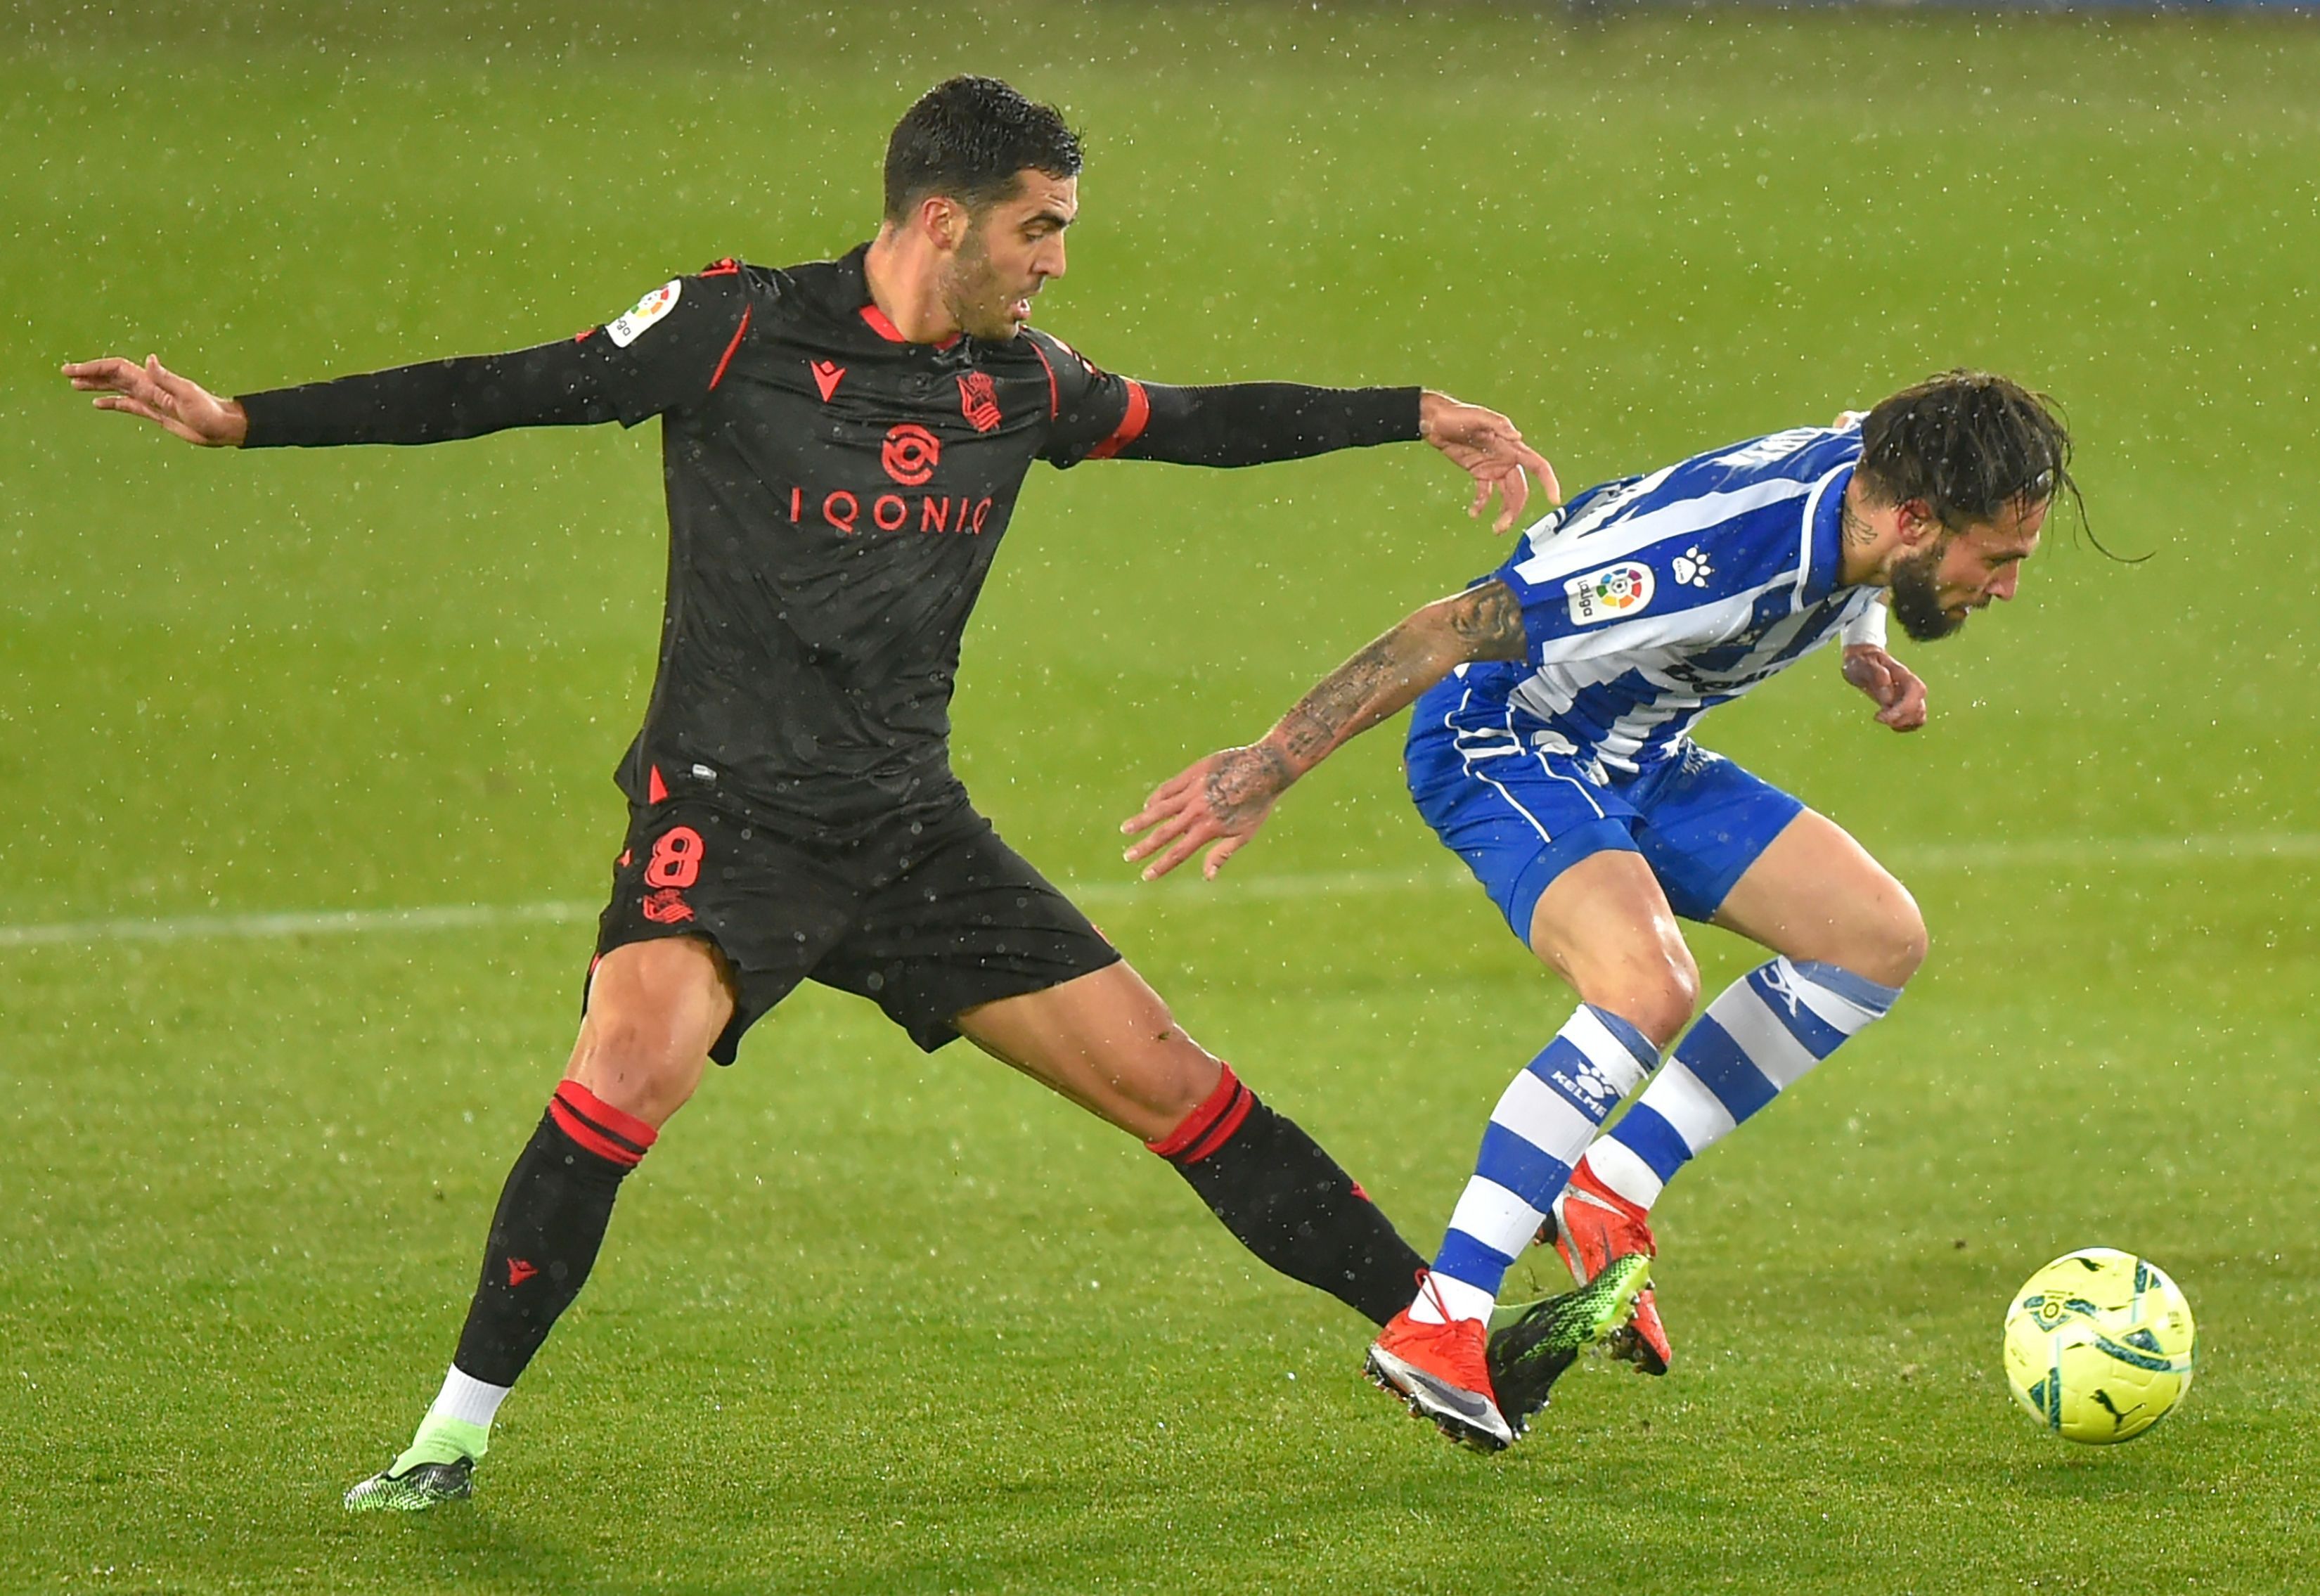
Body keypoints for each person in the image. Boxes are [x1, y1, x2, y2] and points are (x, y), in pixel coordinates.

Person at [64, 76, 1565, 1509]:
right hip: (726, 822)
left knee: (1174, 1081)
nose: (1054, 261)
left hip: (910, 833)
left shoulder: (1020, 384)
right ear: (941, 220)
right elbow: (502, 388)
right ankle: (445, 1442)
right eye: (1037, 227)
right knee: (624, 1076)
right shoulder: (733, 329)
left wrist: (1404, 409)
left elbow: (1192, 421)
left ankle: (1444, 1342)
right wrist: (244, 418)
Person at [1124, 371, 2076, 1449]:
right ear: (1914, 521)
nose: (2002, 585)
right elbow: (1440, 632)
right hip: (1503, 742)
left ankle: (1608, 1187)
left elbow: (1862, 451)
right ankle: (1444, 1318)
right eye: (1995, 558)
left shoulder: (1878, 478)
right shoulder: (1699, 568)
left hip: (1637, 750)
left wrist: (1867, 642)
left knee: (1875, 937)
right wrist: (1267, 764)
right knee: (1648, 984)